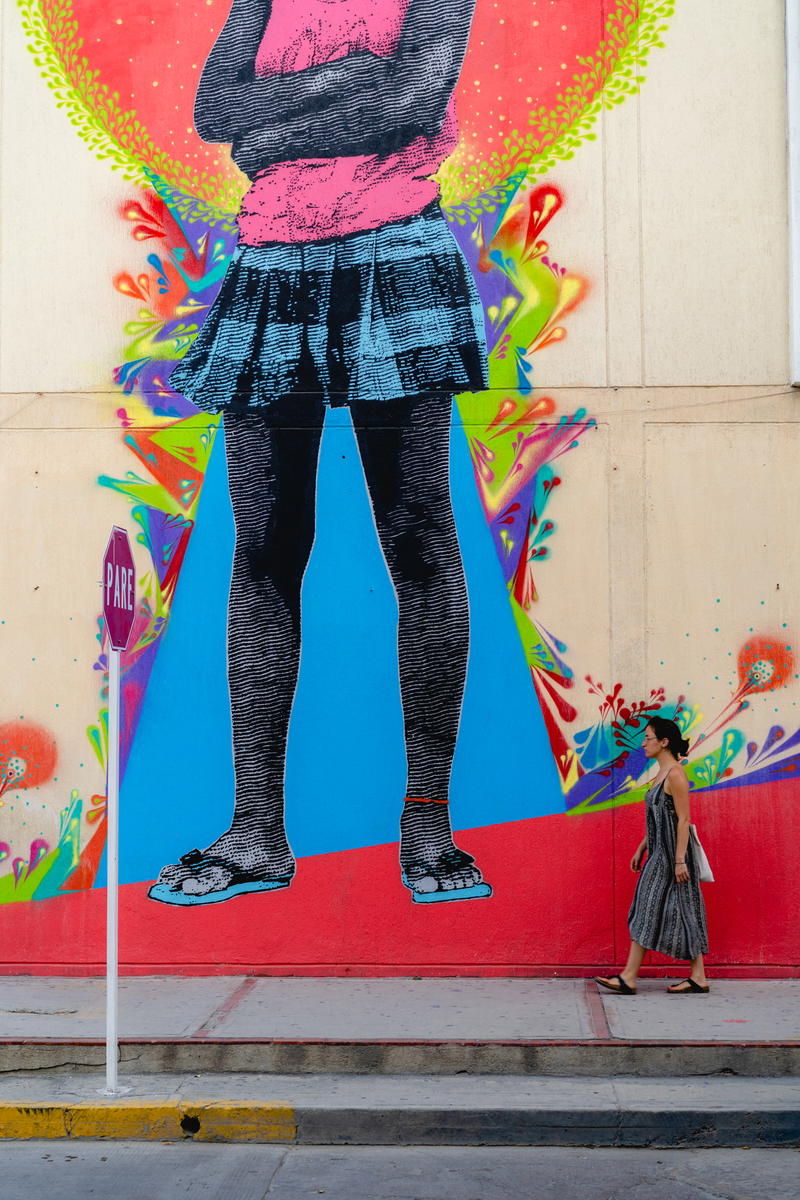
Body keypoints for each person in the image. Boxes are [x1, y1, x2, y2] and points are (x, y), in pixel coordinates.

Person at [148, 0, 493, 906]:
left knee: (417, 539)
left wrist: (277, 125)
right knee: (263, 550)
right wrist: (342, 83)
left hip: (397, 253)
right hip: (272, 265)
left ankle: (427, 826)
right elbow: (217, 113)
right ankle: (256, 831)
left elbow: (414, 102)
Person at [594, 717, 710, 995]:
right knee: (685, 911)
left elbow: (683, 820)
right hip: (660, 853)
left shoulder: (676, 775)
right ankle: (699, 977)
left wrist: (680, 860)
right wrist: (642, 846)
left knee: (648, 909)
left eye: (648, 738)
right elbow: (661, 817)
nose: (643, 743)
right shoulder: (660, 774)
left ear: (664, 742)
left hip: (672, 857)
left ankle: (629, 977)